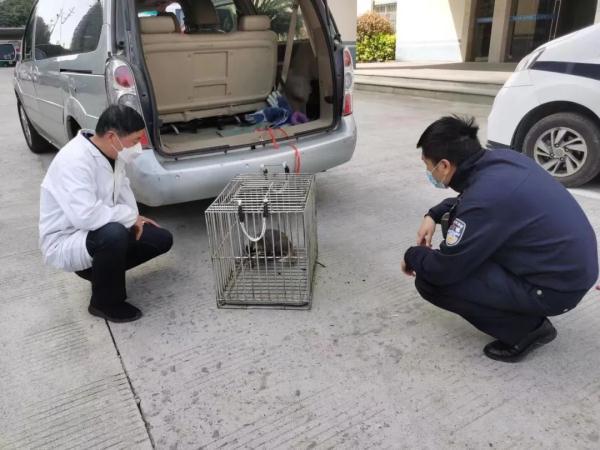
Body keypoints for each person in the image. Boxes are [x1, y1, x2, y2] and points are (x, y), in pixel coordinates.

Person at [401, 116, 598, 362]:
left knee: (431, 281)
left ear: (443, 166)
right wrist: (433, 214)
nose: (428, 172)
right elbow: (473, 202)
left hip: (556, 289)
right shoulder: (503, 161)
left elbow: (444, 269)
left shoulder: (486, 198)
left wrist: (412, 255)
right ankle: (522, 307)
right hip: (570, 270)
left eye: (427, 165)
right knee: (454, 223)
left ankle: (527, 331)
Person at [39, 105, 173, 323]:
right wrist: (129, 218)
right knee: (114, 234)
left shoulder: (114, 153)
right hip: (68, 238)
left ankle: (104, 272)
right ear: (112, 136)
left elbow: (123, 189)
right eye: (135, 140)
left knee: (161, 238)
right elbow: (86, 216)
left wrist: (136, 218)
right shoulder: (74, 160)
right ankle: (104, 302)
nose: (137, 147)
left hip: (97, 231)